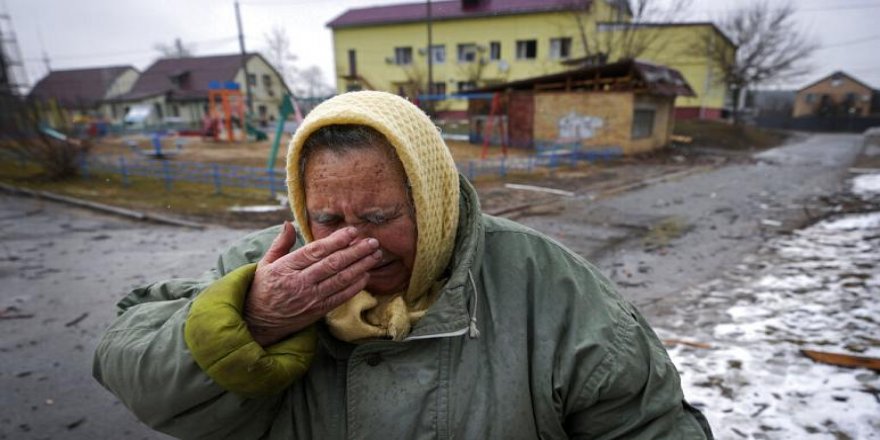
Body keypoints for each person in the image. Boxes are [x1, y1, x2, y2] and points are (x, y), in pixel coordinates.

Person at [93, 91, 713, 439]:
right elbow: (130, 361)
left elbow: (648, 427)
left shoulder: (546, 285)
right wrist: (250, 321)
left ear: (435, 203)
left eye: (382, 216)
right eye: (329, 221)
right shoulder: (265, 267)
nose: (356, 245)